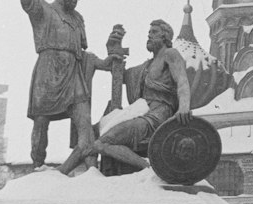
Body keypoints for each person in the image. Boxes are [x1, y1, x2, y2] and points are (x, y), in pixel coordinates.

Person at [9, 0, 106, 170]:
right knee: (41, 122)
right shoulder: (43, 10)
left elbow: (84, 52)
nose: (77, 0)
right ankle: (38, 164)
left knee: (84, 118)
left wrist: (105, 61)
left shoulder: (77, 18)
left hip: (72, 73)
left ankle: (91, 168)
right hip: (48, 71)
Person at [60, 17, 192, 176]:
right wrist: (113, 50)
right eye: (149, 32)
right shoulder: (145, 66)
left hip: (157, 116)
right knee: (89, 134)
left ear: (165, 37)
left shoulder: (170, 54)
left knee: (103, 143)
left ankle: (151, 170)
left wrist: (184, 107)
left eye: (154, 32)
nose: (149, 35)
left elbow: (182, 81)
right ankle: (62, 171)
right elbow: (119, 76)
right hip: (140, 112)